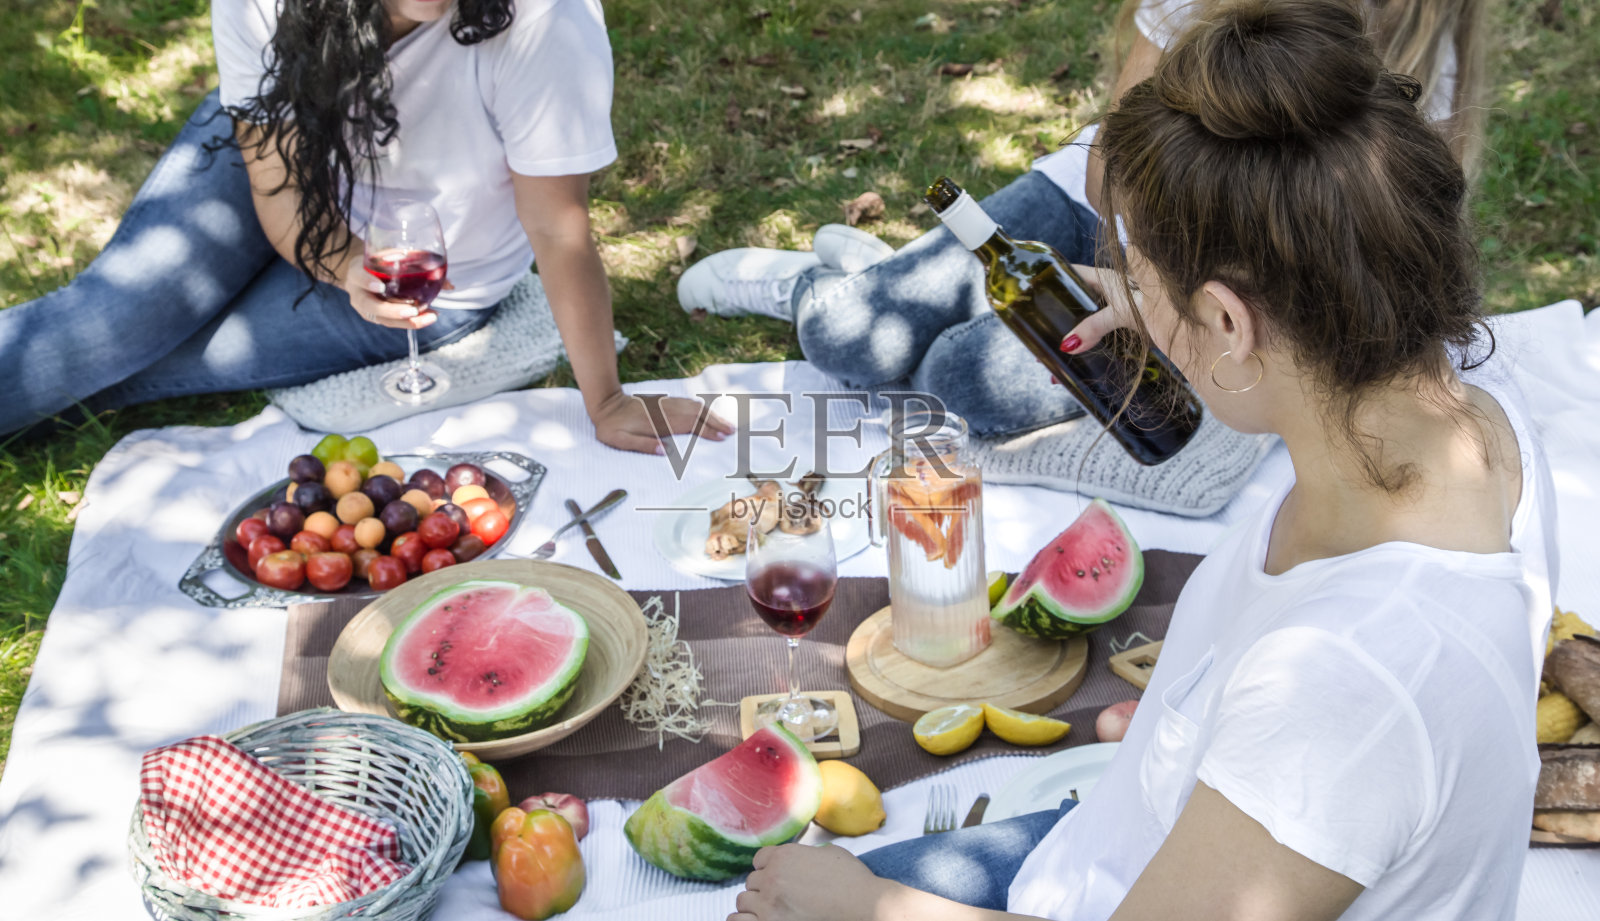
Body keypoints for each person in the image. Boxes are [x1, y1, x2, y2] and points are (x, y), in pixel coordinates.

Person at [728, 2, 1554, 920]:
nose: (1133, 305)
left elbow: (1338, 724)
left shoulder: (1343, 689)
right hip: (1121, 841)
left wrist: (872, 910)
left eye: (1145, 281)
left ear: (1234, 322)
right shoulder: (1473, 420)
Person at [677, 0, 1486, 439]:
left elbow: (1379, 245)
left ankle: (910, 279)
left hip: (1207, 286)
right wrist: (1146, 278)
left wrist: (1171, 310)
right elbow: (1110, 168)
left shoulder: (1420, 49)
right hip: (1100, 207)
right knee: (848, 337)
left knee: (963, 383)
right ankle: (834, 285)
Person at [0, 0, 731, 453]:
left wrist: (604, 398)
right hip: (288, 155)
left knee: (147, 365)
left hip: (439, 271)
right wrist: (345, 262)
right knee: (112, 324)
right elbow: (274, 178)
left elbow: (558, 229)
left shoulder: (545, 18)